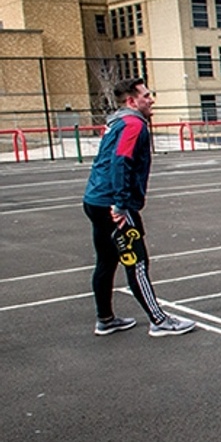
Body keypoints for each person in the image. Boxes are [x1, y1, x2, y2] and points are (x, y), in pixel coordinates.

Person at [82, 77, 196, 337]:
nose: (151, 99)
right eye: (146, 95)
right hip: (113, 205)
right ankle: (159, 320)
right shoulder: (133, 124)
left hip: (95, 200)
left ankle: (106, 318)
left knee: (106, 261)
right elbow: (121, 162)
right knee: (138, 262)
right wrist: (121, 205)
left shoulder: (118, 123)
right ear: (132, 101)